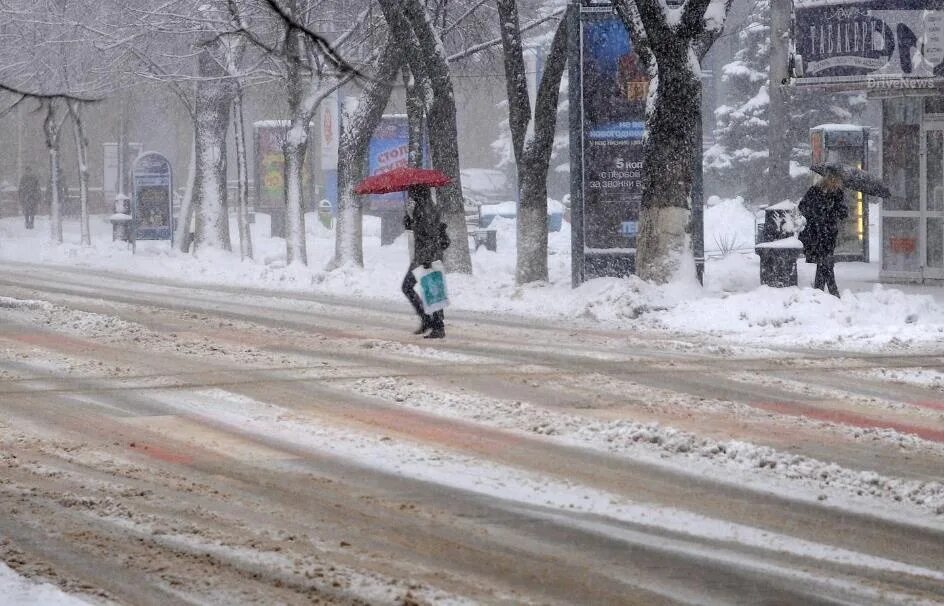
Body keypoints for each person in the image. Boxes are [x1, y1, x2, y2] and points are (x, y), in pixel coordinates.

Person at [401, 186, 450, 339]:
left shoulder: (425, 210)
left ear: (417, 192)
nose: (410, 195)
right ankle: (429, 320)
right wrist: (409, 216)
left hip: (427, 257)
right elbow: (414, 228)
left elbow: (429, 235)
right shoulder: (423, 208)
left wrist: (428, 259)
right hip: (424, 256)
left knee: (426, 288)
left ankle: (437, 326)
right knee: (428, 288)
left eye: (411, 192)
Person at [798, 171, 848, 297]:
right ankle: (832, 293)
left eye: (838, 182)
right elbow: (802, 207)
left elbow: (843, 213)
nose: (836, 184)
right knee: (825, 263)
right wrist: (818, 212)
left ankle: (819, 292)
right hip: (816, 234)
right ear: (829, 180)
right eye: (835, 181)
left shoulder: (837, 194)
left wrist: (836, 210)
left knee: (824, 264)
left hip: (829, 234)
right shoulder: (815, 191)